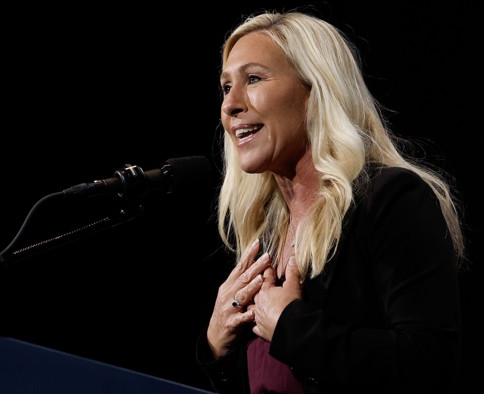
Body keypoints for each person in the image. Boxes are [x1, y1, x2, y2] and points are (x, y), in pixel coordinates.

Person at [195, 10, 466, 394]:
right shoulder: (266, 233)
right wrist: (215, 346)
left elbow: (428, 365)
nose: (230, 105)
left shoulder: (390, 200)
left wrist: (292, 326)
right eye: (225, 87)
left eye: (253, 79)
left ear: (315, 90)